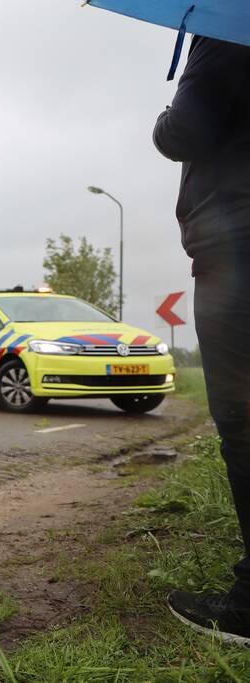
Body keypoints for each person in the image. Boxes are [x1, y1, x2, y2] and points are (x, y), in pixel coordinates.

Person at [153, 36, 250, 642]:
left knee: (244, 420)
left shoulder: (231, 24)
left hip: (238, 241)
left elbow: (184, 131)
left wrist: (164, 119)